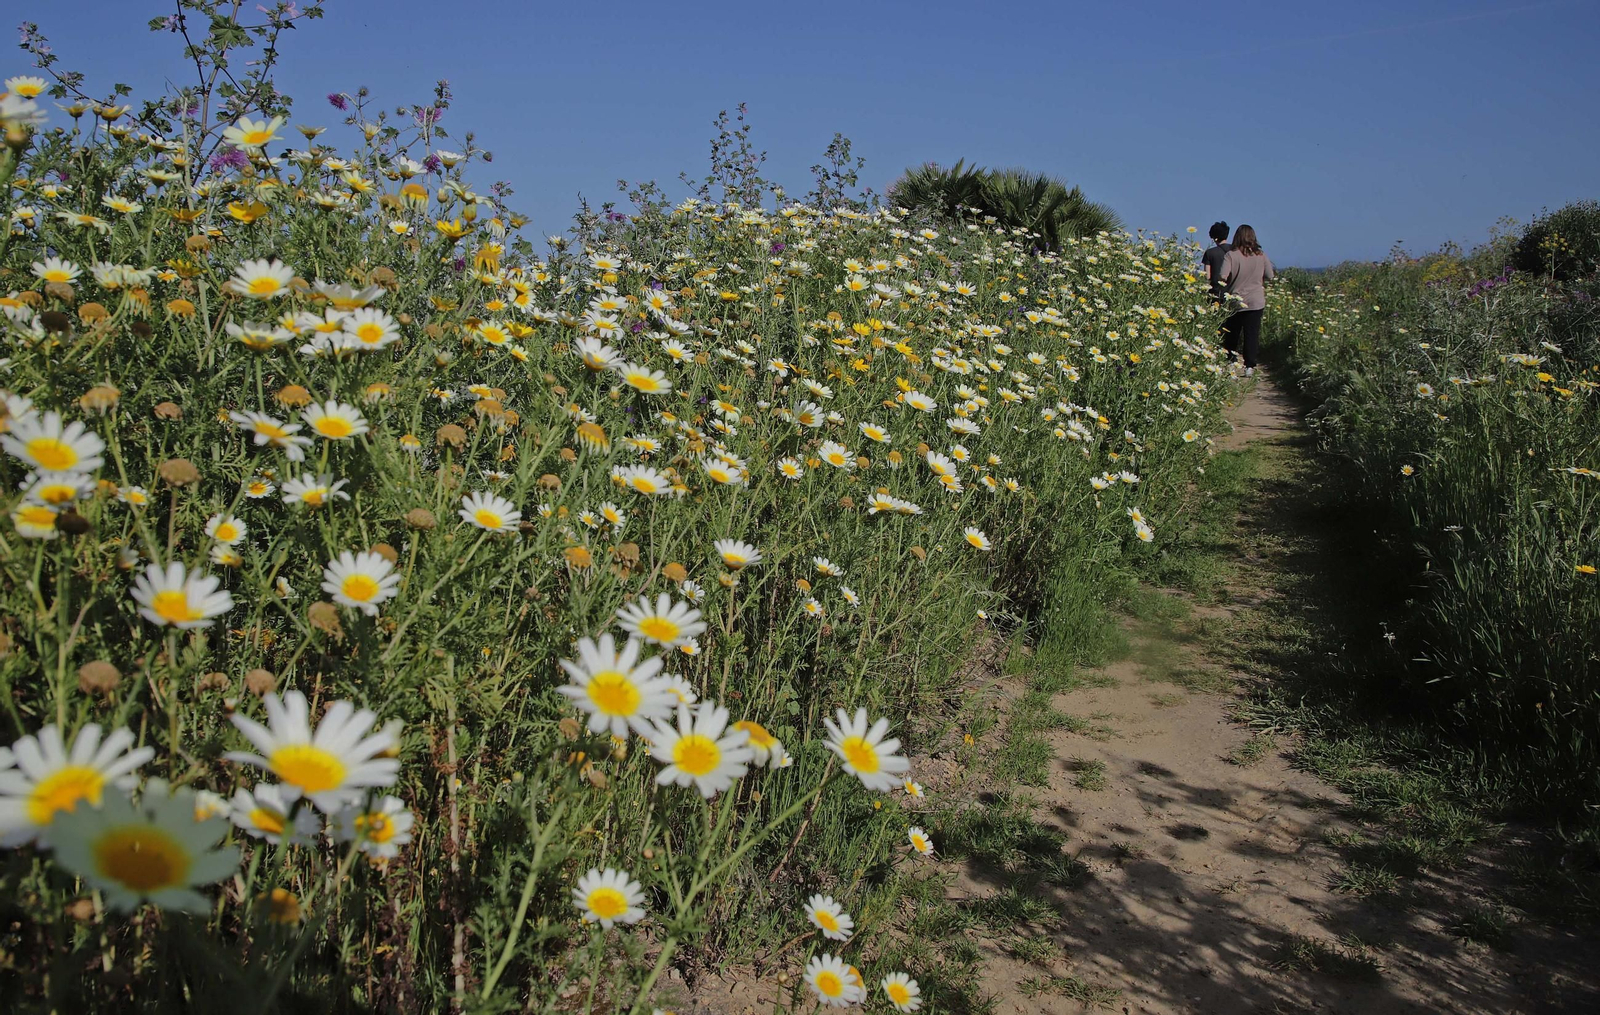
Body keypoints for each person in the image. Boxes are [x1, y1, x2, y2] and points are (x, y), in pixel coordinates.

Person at [1219, 224, 1274, 377]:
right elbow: (1270, 275)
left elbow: (1222, 276)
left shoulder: (1231, 255)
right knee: (1251, 334)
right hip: (1256, 300)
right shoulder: (1261, 255)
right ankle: (1249, 366)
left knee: (1232, 334)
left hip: (1235, 300)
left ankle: (1231, 362)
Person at [1201, 221, 1230, 303]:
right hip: (1232, 292)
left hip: (1215, 293)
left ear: (1213, 237)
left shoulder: (1210, 253)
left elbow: (1207, 276)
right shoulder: (1235, 251)